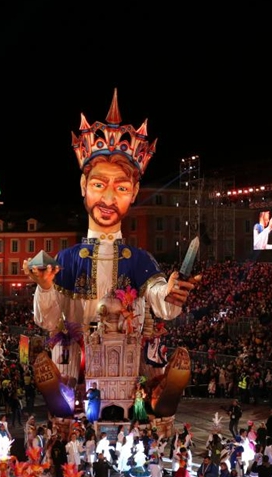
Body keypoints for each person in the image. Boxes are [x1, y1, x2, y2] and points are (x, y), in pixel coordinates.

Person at [25, 90, 200, 418]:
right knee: (63, 350)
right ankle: (61, 398)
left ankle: (160, 394)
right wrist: (46, 287)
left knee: (152, 347)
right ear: (83, 185)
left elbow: (159, 298)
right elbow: (47, 320)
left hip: (128, 357)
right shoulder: (67, 259)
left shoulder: (139, 258)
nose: (108, 198)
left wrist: (173, 294)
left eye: (120, 188)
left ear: (133, 193)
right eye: (99, 185)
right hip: (81, 356)